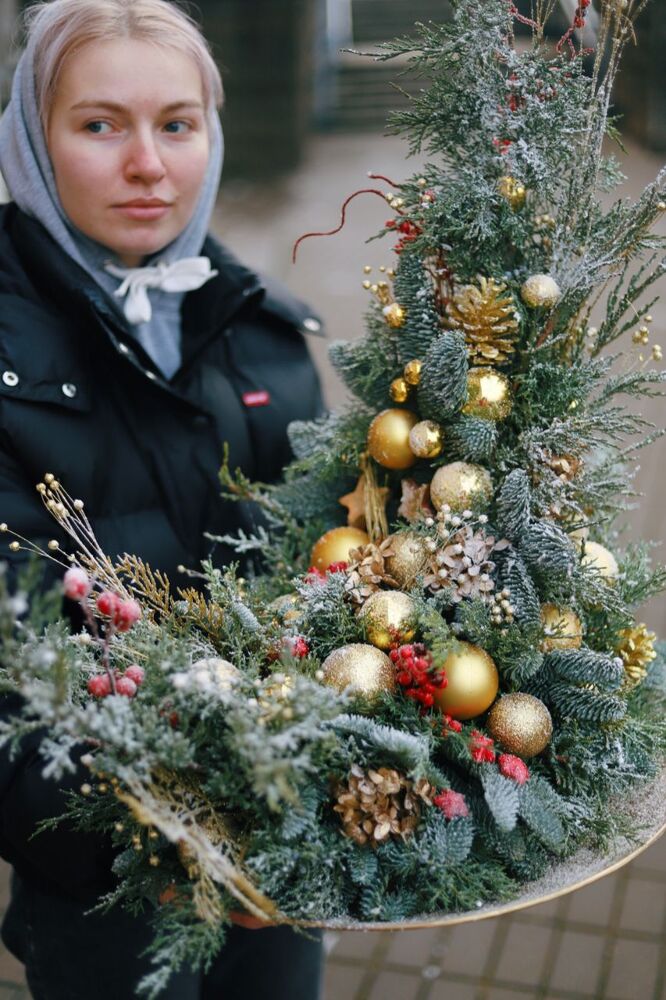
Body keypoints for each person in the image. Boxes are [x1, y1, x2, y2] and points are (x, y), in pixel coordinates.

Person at [0, 0, 325, 996]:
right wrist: (150, 834)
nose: (149, 164)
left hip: (283, 854)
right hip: (105, 883)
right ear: (33, 139)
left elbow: (319, 580)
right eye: (100, 124)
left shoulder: (263, 333)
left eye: (176, 124)